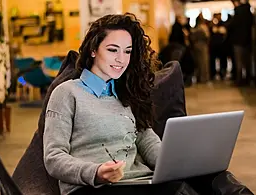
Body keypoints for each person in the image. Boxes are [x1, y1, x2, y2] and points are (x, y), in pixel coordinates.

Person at [43, 13, 250, 195]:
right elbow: (53, 157)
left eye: (127, 51)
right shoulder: (67, 93)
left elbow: (146, 139)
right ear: (93, 50)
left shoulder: (126, 93)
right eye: (113, 50)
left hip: (137, 181)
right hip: (92, 188)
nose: (121, 59)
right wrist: (95, 172)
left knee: (213, 177)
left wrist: (175, 162)